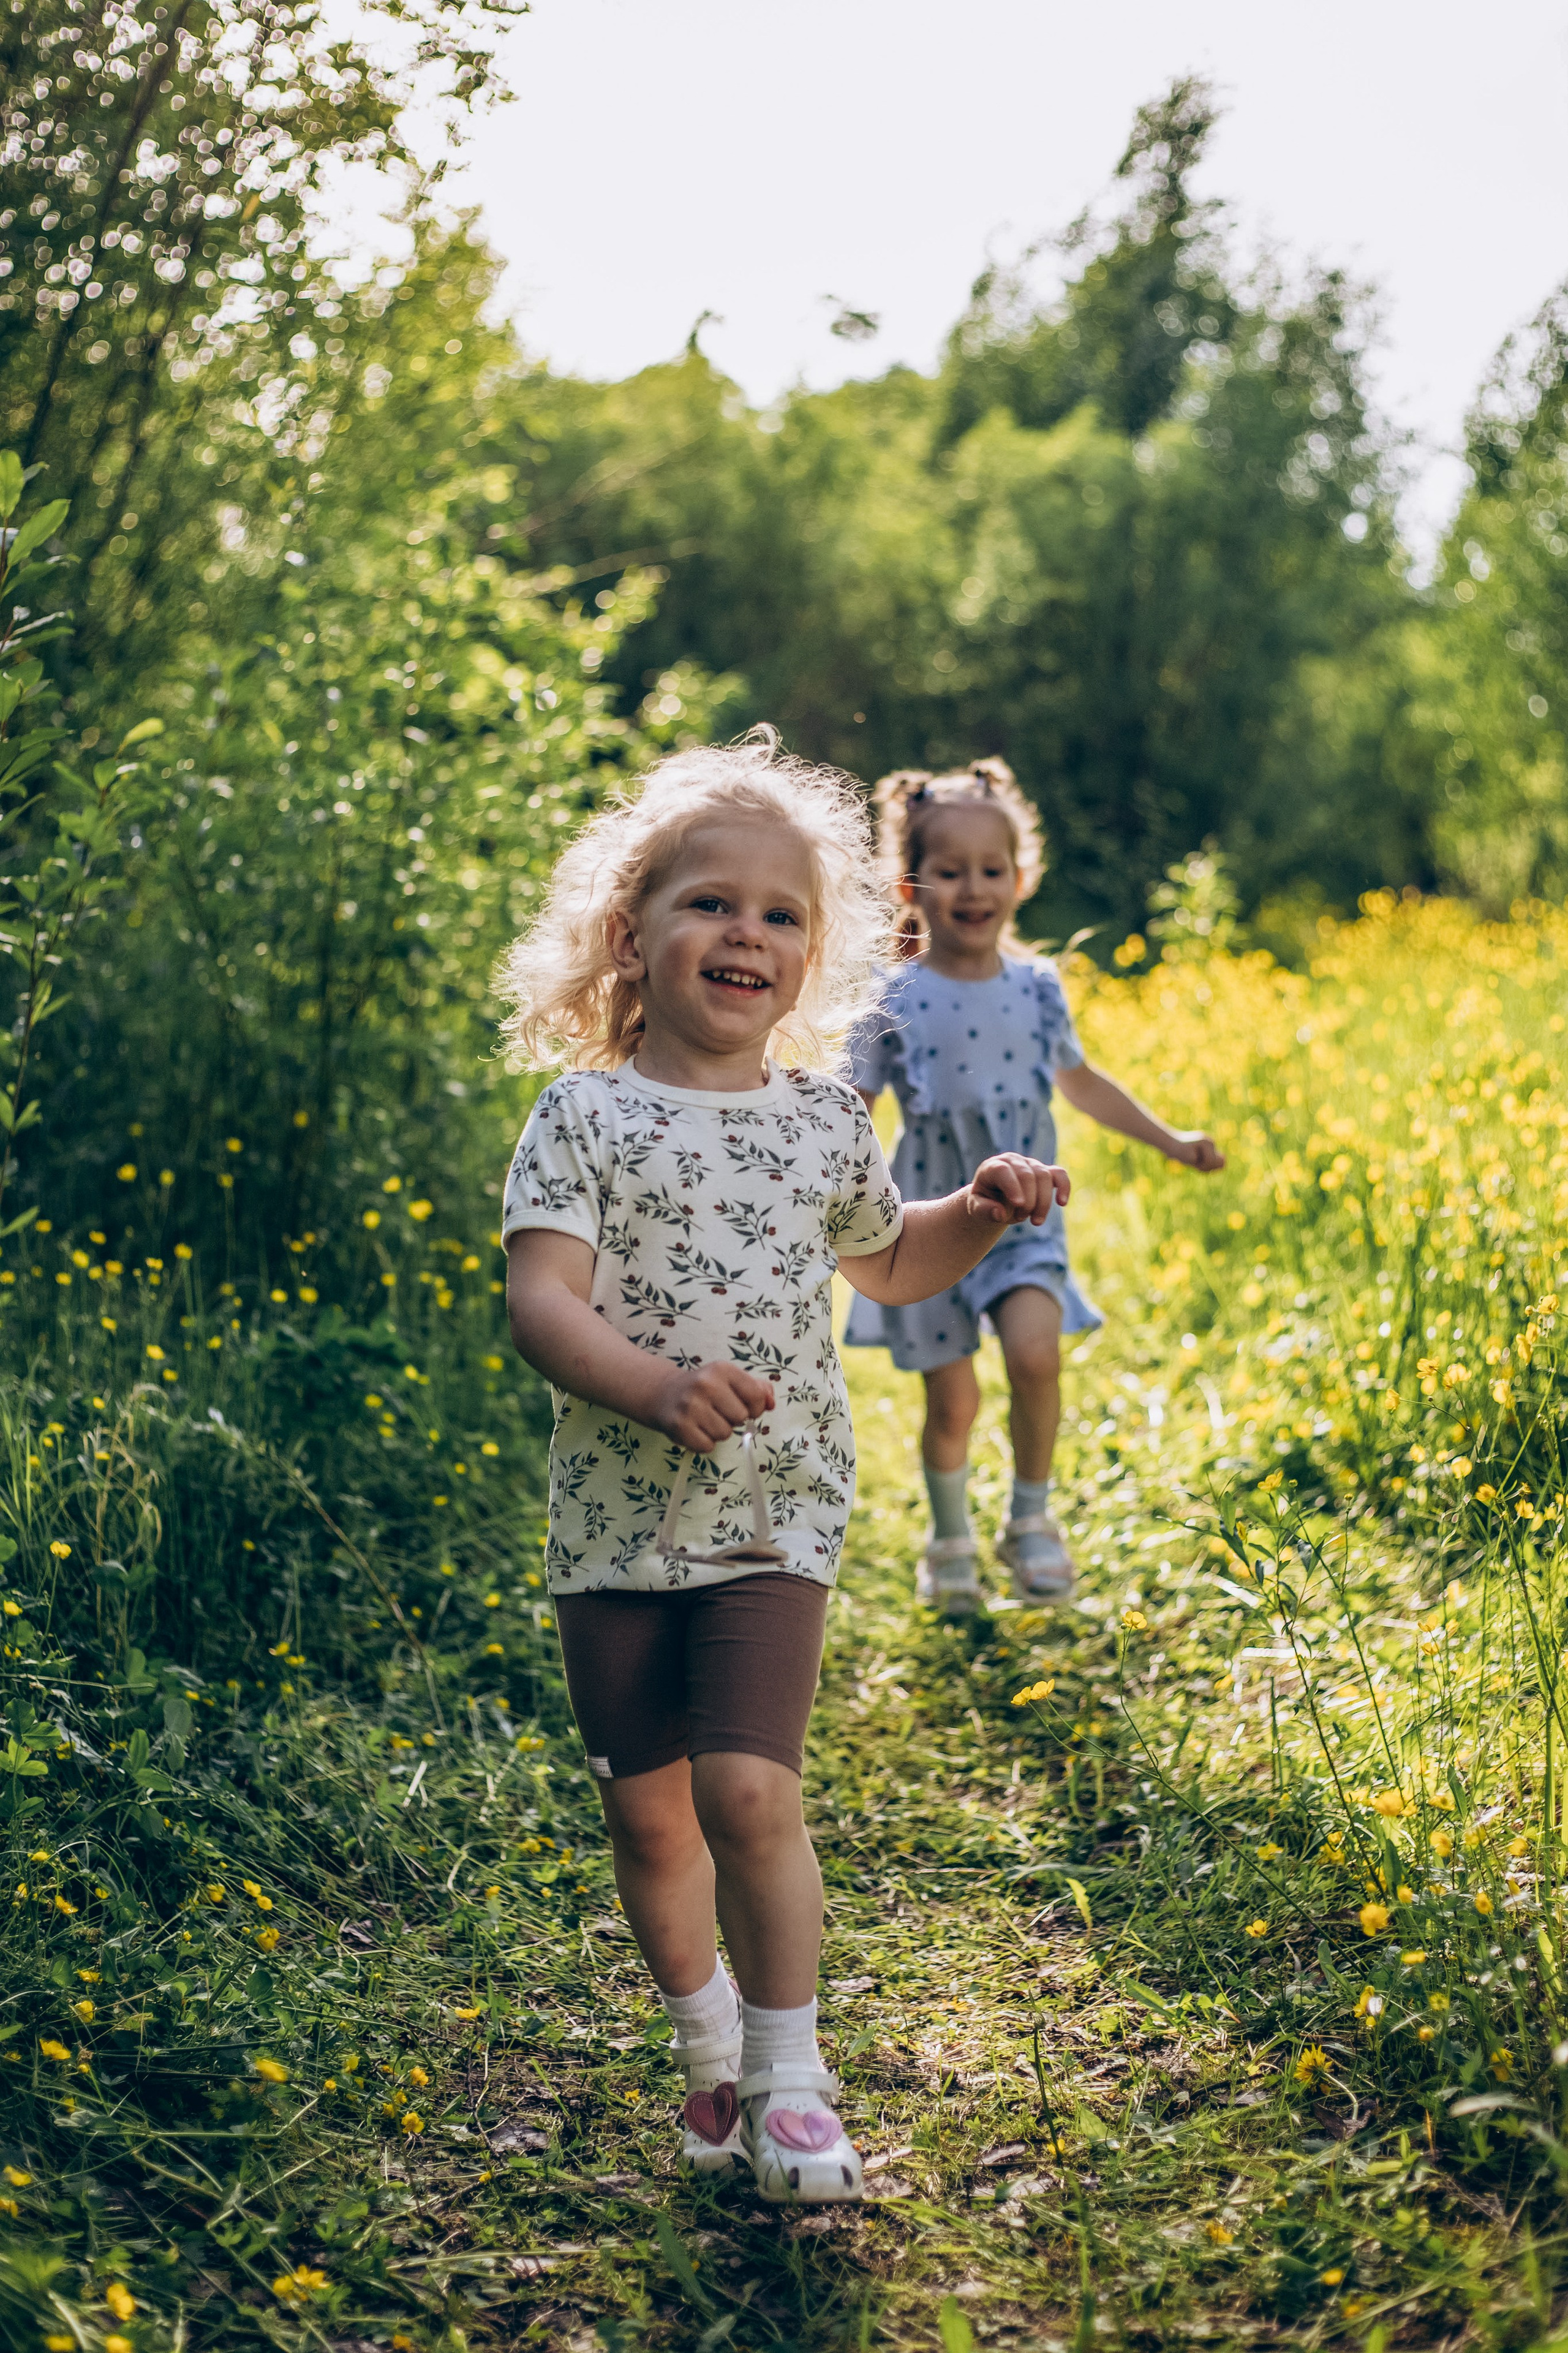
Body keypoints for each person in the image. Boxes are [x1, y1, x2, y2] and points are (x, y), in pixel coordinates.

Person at [496, 733, 1069, 2202]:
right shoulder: (584, 1116)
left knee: (751, 1792)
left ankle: (790, 2073)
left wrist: (982, 1212)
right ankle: (702, 2048)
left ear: (815, 956)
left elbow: (886, 1264)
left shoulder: (821, 1118)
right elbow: (543, 1302)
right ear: (632, 935)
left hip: (772, 1510)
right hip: (615, 1523)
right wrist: (654, 1385)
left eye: (779, 912)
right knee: (647, 1808)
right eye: (708, 903)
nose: (743, 931)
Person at [845, 759, 1224, 1614]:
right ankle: (949, 1544)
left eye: (992, 869)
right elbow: (853, 1110)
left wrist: (1169, 1140)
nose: (973, 888)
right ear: (912, 883)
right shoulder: (891, 996)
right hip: (929, 1226)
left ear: (1021, 878)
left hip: (1026, 1218)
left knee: (1034, 1351)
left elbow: (1081, 1082)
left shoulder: (1038, 986)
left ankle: (1031, 1518)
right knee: (954, 1399)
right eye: (950, 870)